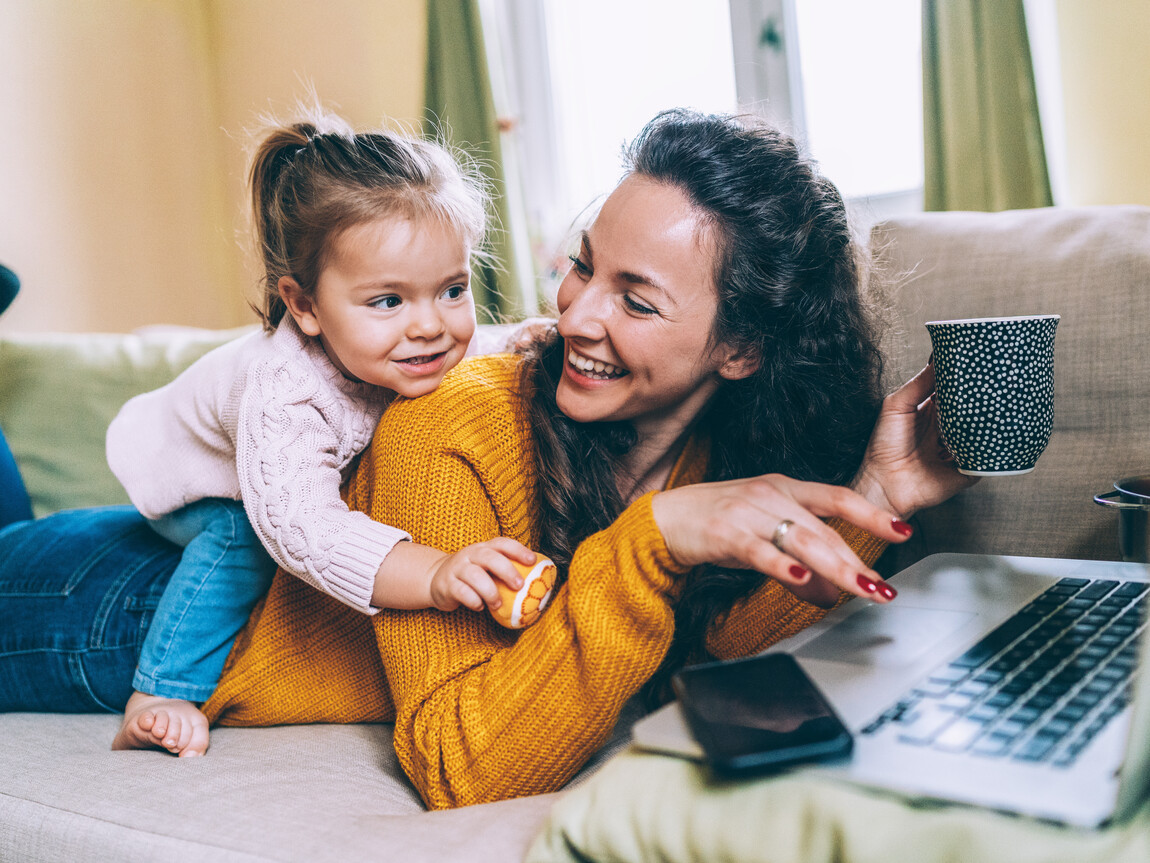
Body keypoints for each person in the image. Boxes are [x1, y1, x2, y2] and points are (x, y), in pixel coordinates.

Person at [0, 109, 970, 808]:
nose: (577, 313)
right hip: (110, 610)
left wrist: (871, 499)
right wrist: (645, 545)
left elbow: (724, 644)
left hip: (132, 580)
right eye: (584, 263)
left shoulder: (707, 449)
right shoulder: (451, 419)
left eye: (635, 299)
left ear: (740, 349)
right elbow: (457, 759)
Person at [104, 110, 541, 758]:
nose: (431, 325)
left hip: (259, 461)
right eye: (388, 301)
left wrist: (533, 339)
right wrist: (435, 571)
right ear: (304, 305)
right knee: (242, 537)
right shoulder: (286, 394)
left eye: (452, 288)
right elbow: (305, 532)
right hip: (187, 476)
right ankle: (160, 688)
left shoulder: (418, 343)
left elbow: (481, 346)